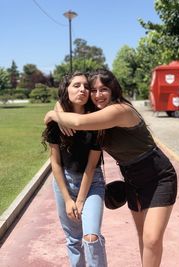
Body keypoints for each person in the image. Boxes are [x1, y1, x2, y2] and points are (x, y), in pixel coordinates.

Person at [44, 69, 177, 267]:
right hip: (132, 179)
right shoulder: (97, 112)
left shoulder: (120, 110)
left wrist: (52, 114)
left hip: (157, 176)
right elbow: (69, 103)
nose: (98, 95)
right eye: (94, 90)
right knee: (143, 237)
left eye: (103, 89)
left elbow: (79, 122)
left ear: (113, 90)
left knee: (152, 239)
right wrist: (58, 109)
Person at [42, 71, 107, 267]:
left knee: (91, 237)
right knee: (73, 240)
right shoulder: (56, 123)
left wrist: (79, 200)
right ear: (66, 90)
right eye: (76, 85)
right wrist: (68, 199)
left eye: (86, 86)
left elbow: (91, 164)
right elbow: (55, 163)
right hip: (64, 184)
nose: (83, 90)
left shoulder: (96, 120)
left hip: (92, 181)